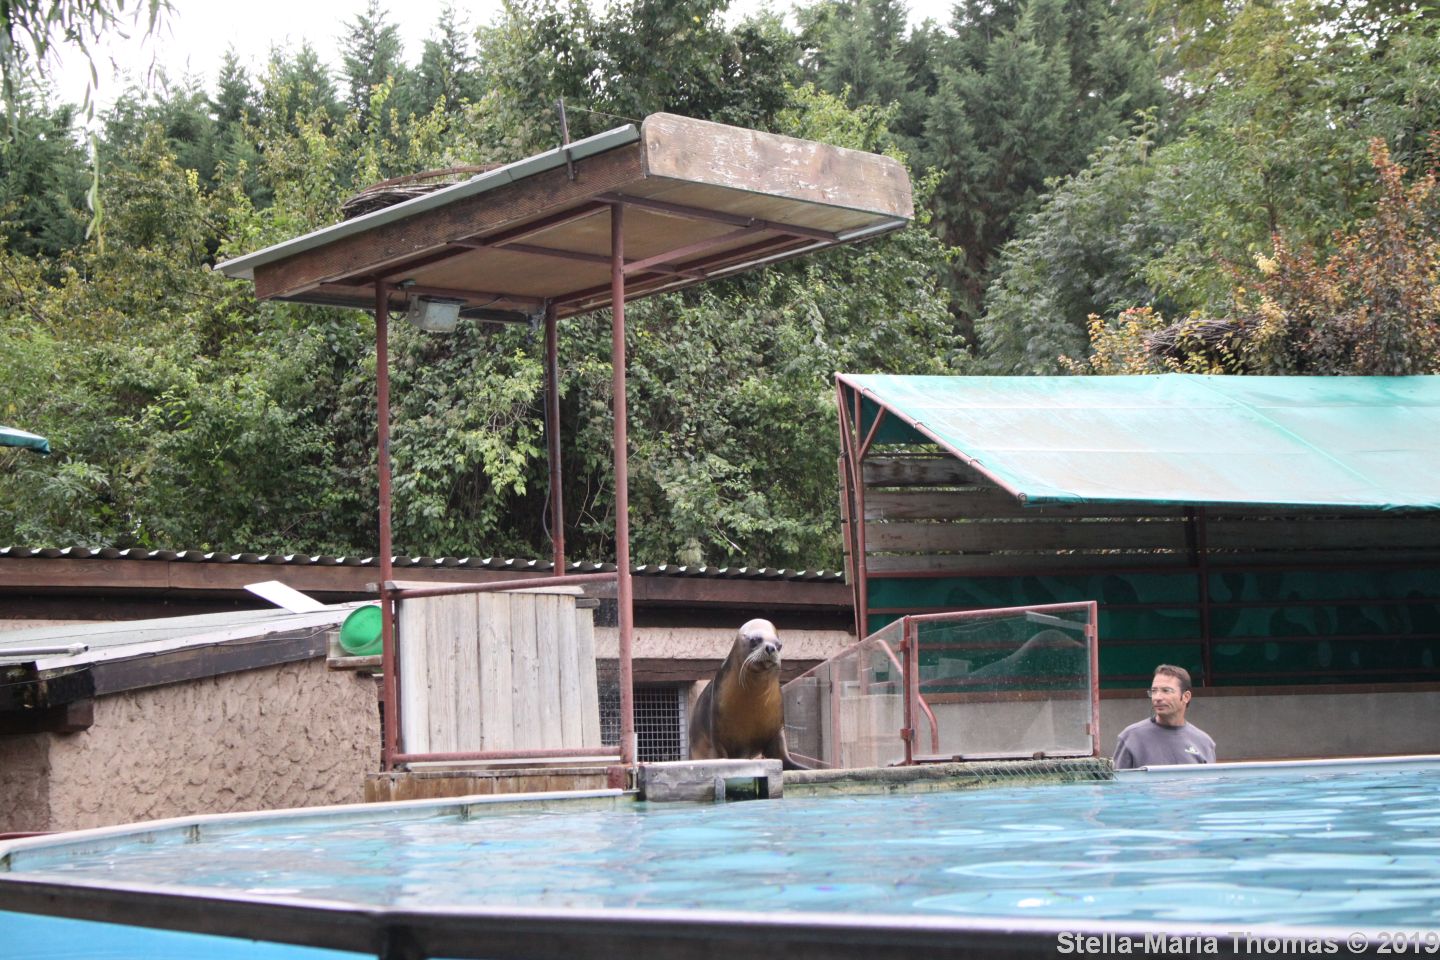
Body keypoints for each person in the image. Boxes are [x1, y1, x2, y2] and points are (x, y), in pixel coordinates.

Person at [1112, 664, 1215, 769]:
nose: (1157, 697)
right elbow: (1116, 779)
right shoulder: (1131, 738)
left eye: (1166, 691)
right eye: (1154, 691)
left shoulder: (1204, 743)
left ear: (1186, 696)